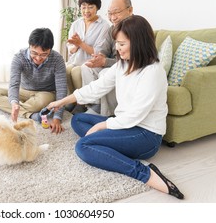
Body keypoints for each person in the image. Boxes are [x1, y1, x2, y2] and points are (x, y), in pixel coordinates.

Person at [47, 15, 184, 199]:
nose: (117, 49)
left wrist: (103, 125)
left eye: (121, 44)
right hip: (124, 125)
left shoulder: (153, 71)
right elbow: (96, 88)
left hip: (146, 134)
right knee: (78, 120)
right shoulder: (123, 65)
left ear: (138, 42)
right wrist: (61, 102)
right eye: (117, 44)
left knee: (83, 146)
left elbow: (136, 115)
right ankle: (113, 146)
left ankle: (145, 173)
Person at [0, 28, 67, 134]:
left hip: (46, 93)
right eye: (34, 53)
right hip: (24, 91)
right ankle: (32, 115)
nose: (38, 58)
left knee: (42, 101)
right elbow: (14, 84)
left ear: (50, 50)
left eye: (43, 54)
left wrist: (57, 118)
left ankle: (12, 108)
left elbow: (61, 89)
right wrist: (14, 103)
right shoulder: (19, 57)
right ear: (29, 45)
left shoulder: (57, 59)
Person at [81, 0, 133, 115]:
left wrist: (105, 62)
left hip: (129, 67)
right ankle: (94, 104)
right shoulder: (112, 29)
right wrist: (98, 58)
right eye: (109, 13)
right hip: (114, 65)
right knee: (86, 66)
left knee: (106, 73)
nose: (112, 18)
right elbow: (104, 49)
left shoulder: (136, 28)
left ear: (130, 10)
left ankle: (108, 113)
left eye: (116, 13)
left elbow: (131, 60)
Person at [65, 0, 110, 98]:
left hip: (91, 63)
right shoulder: (76, 24)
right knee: (65, 70)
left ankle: (83, 101)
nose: (86, 11)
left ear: (97, 7)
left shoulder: (104, 26)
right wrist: (75, 45)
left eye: (90, 7)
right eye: (83, 7)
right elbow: (70, 49)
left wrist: (80, 43)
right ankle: (73, 100)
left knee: (76, 72)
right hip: (75, 61)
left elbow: (98, 52)